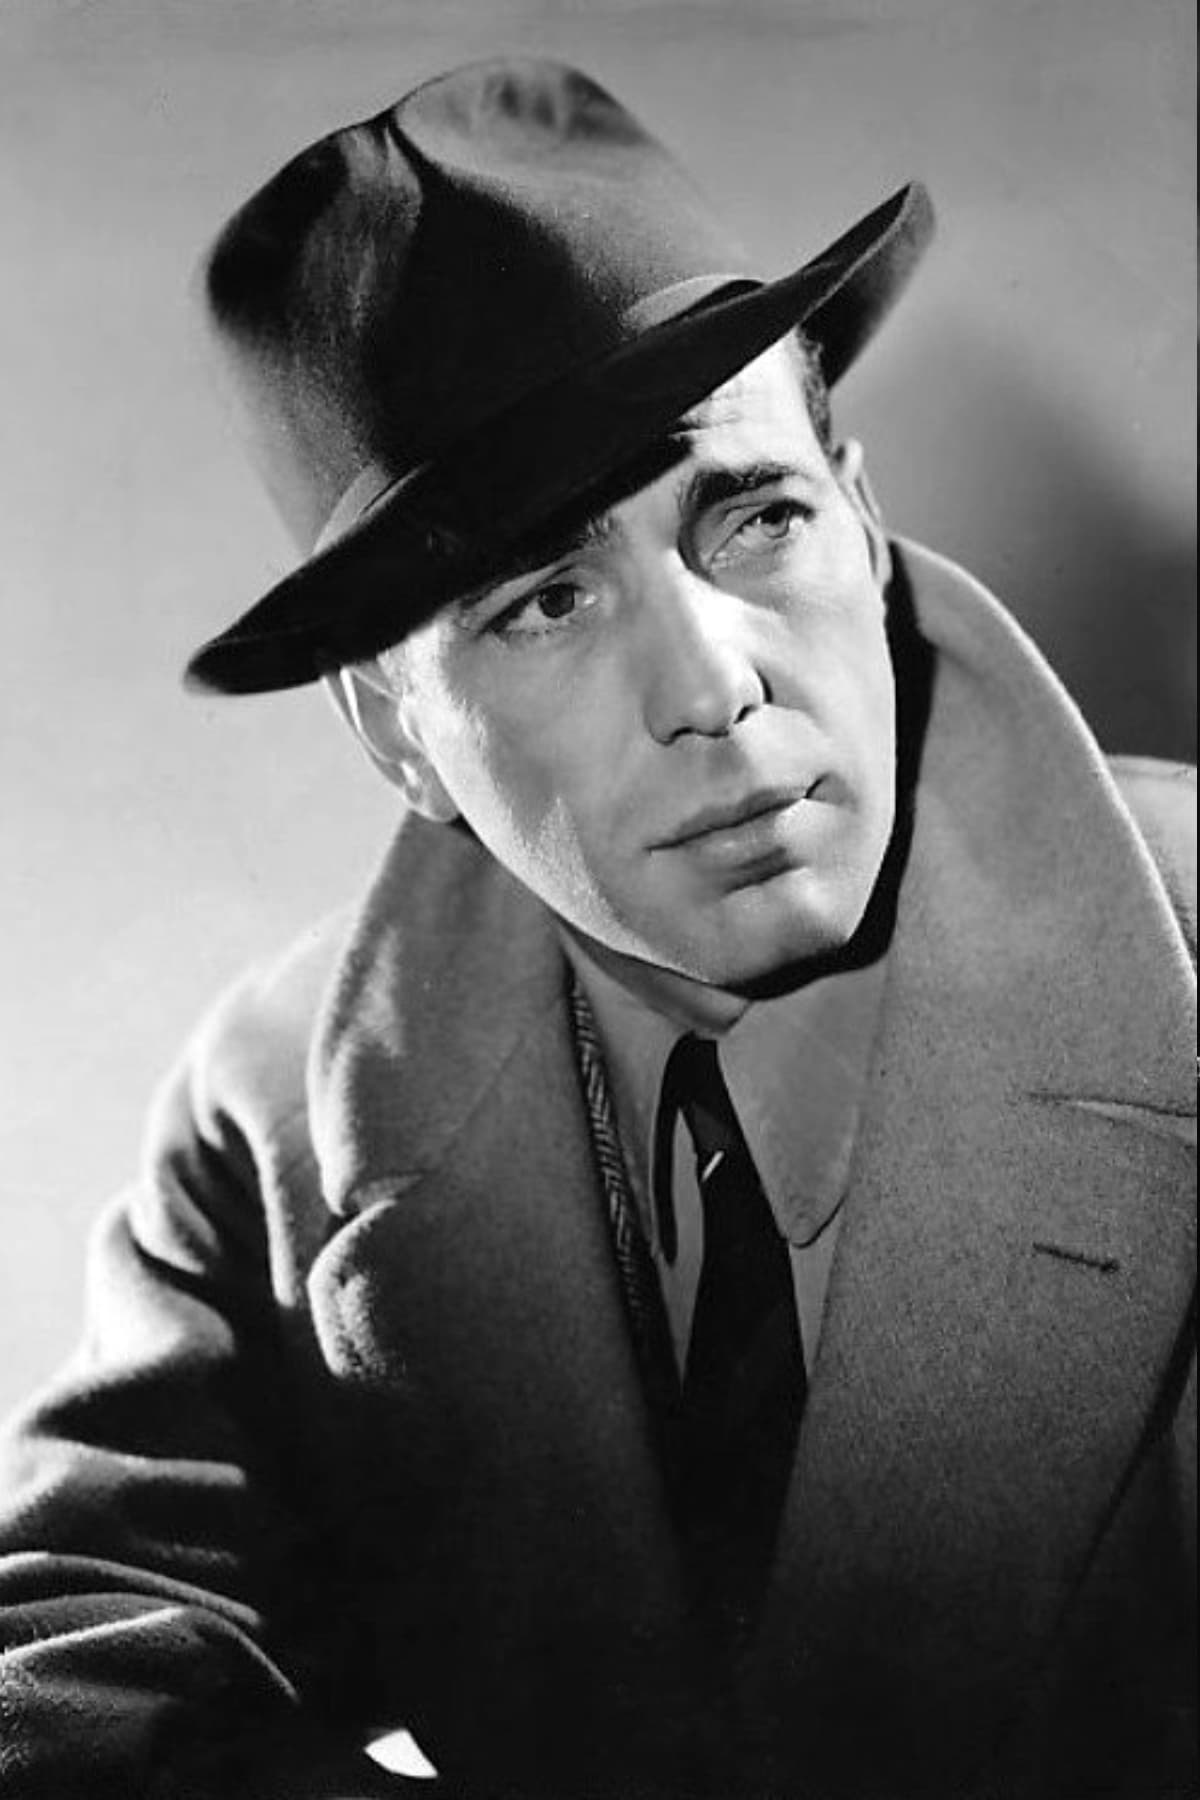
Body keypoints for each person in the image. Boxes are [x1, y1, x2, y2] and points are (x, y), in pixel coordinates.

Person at [0, 57, 1193, 1800]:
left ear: (863, 524)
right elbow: (61, 1659)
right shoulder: (273, 1113)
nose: (713, 684)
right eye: (549, 598)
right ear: (398, 733)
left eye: (756, 517)